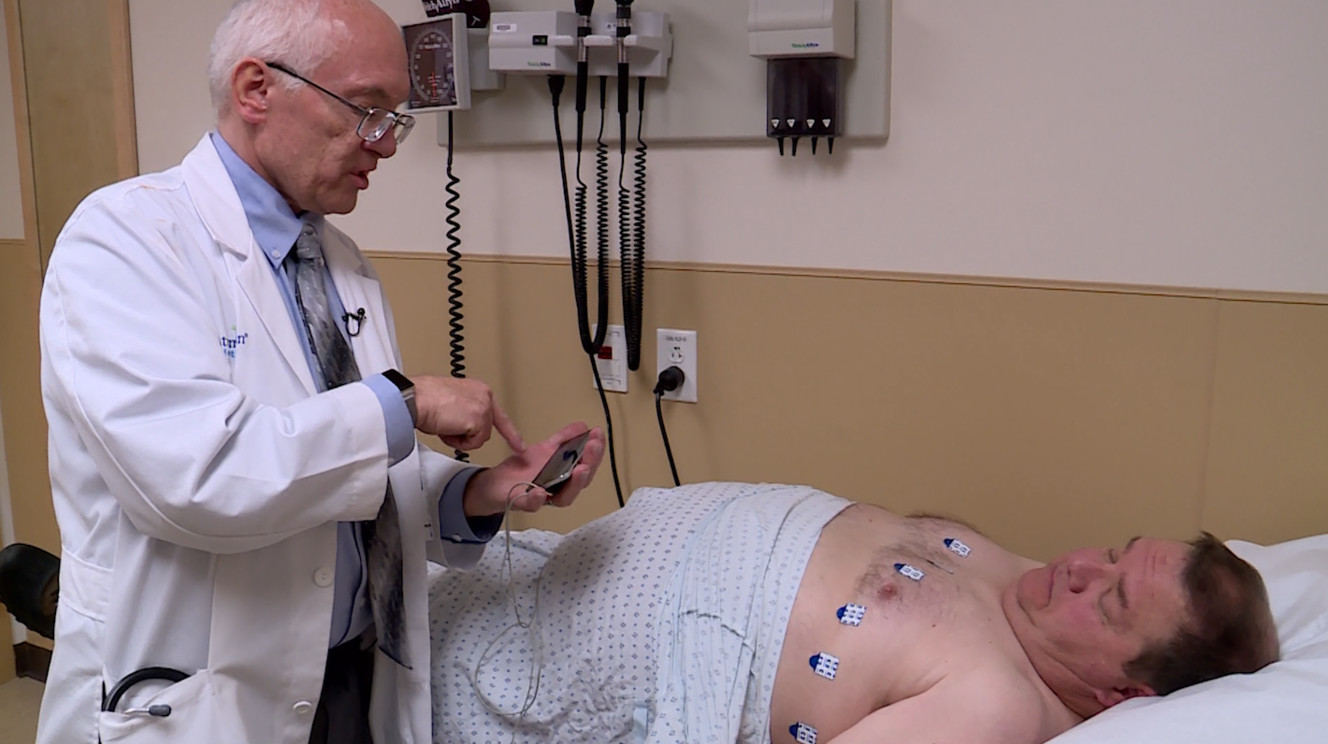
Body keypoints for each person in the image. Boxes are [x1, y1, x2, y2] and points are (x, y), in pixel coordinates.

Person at [35, 1, 605, 742]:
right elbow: (198, 480)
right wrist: (408, 400)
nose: (387, 145)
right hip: (195, 695)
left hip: (349, 684)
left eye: (395, 119)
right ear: (256, 90)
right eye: (369, 111)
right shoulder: (124, 241)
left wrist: (473, 493)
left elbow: (340, 466)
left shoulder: (343, 268)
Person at [428, 482, 1279, 744]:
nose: (1082, 567)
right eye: (1114, 550)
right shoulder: (1025, 590)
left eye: (1113, 597)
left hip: (598, 662)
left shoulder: (999, 703)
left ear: (1120, 696)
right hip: (553, 568)